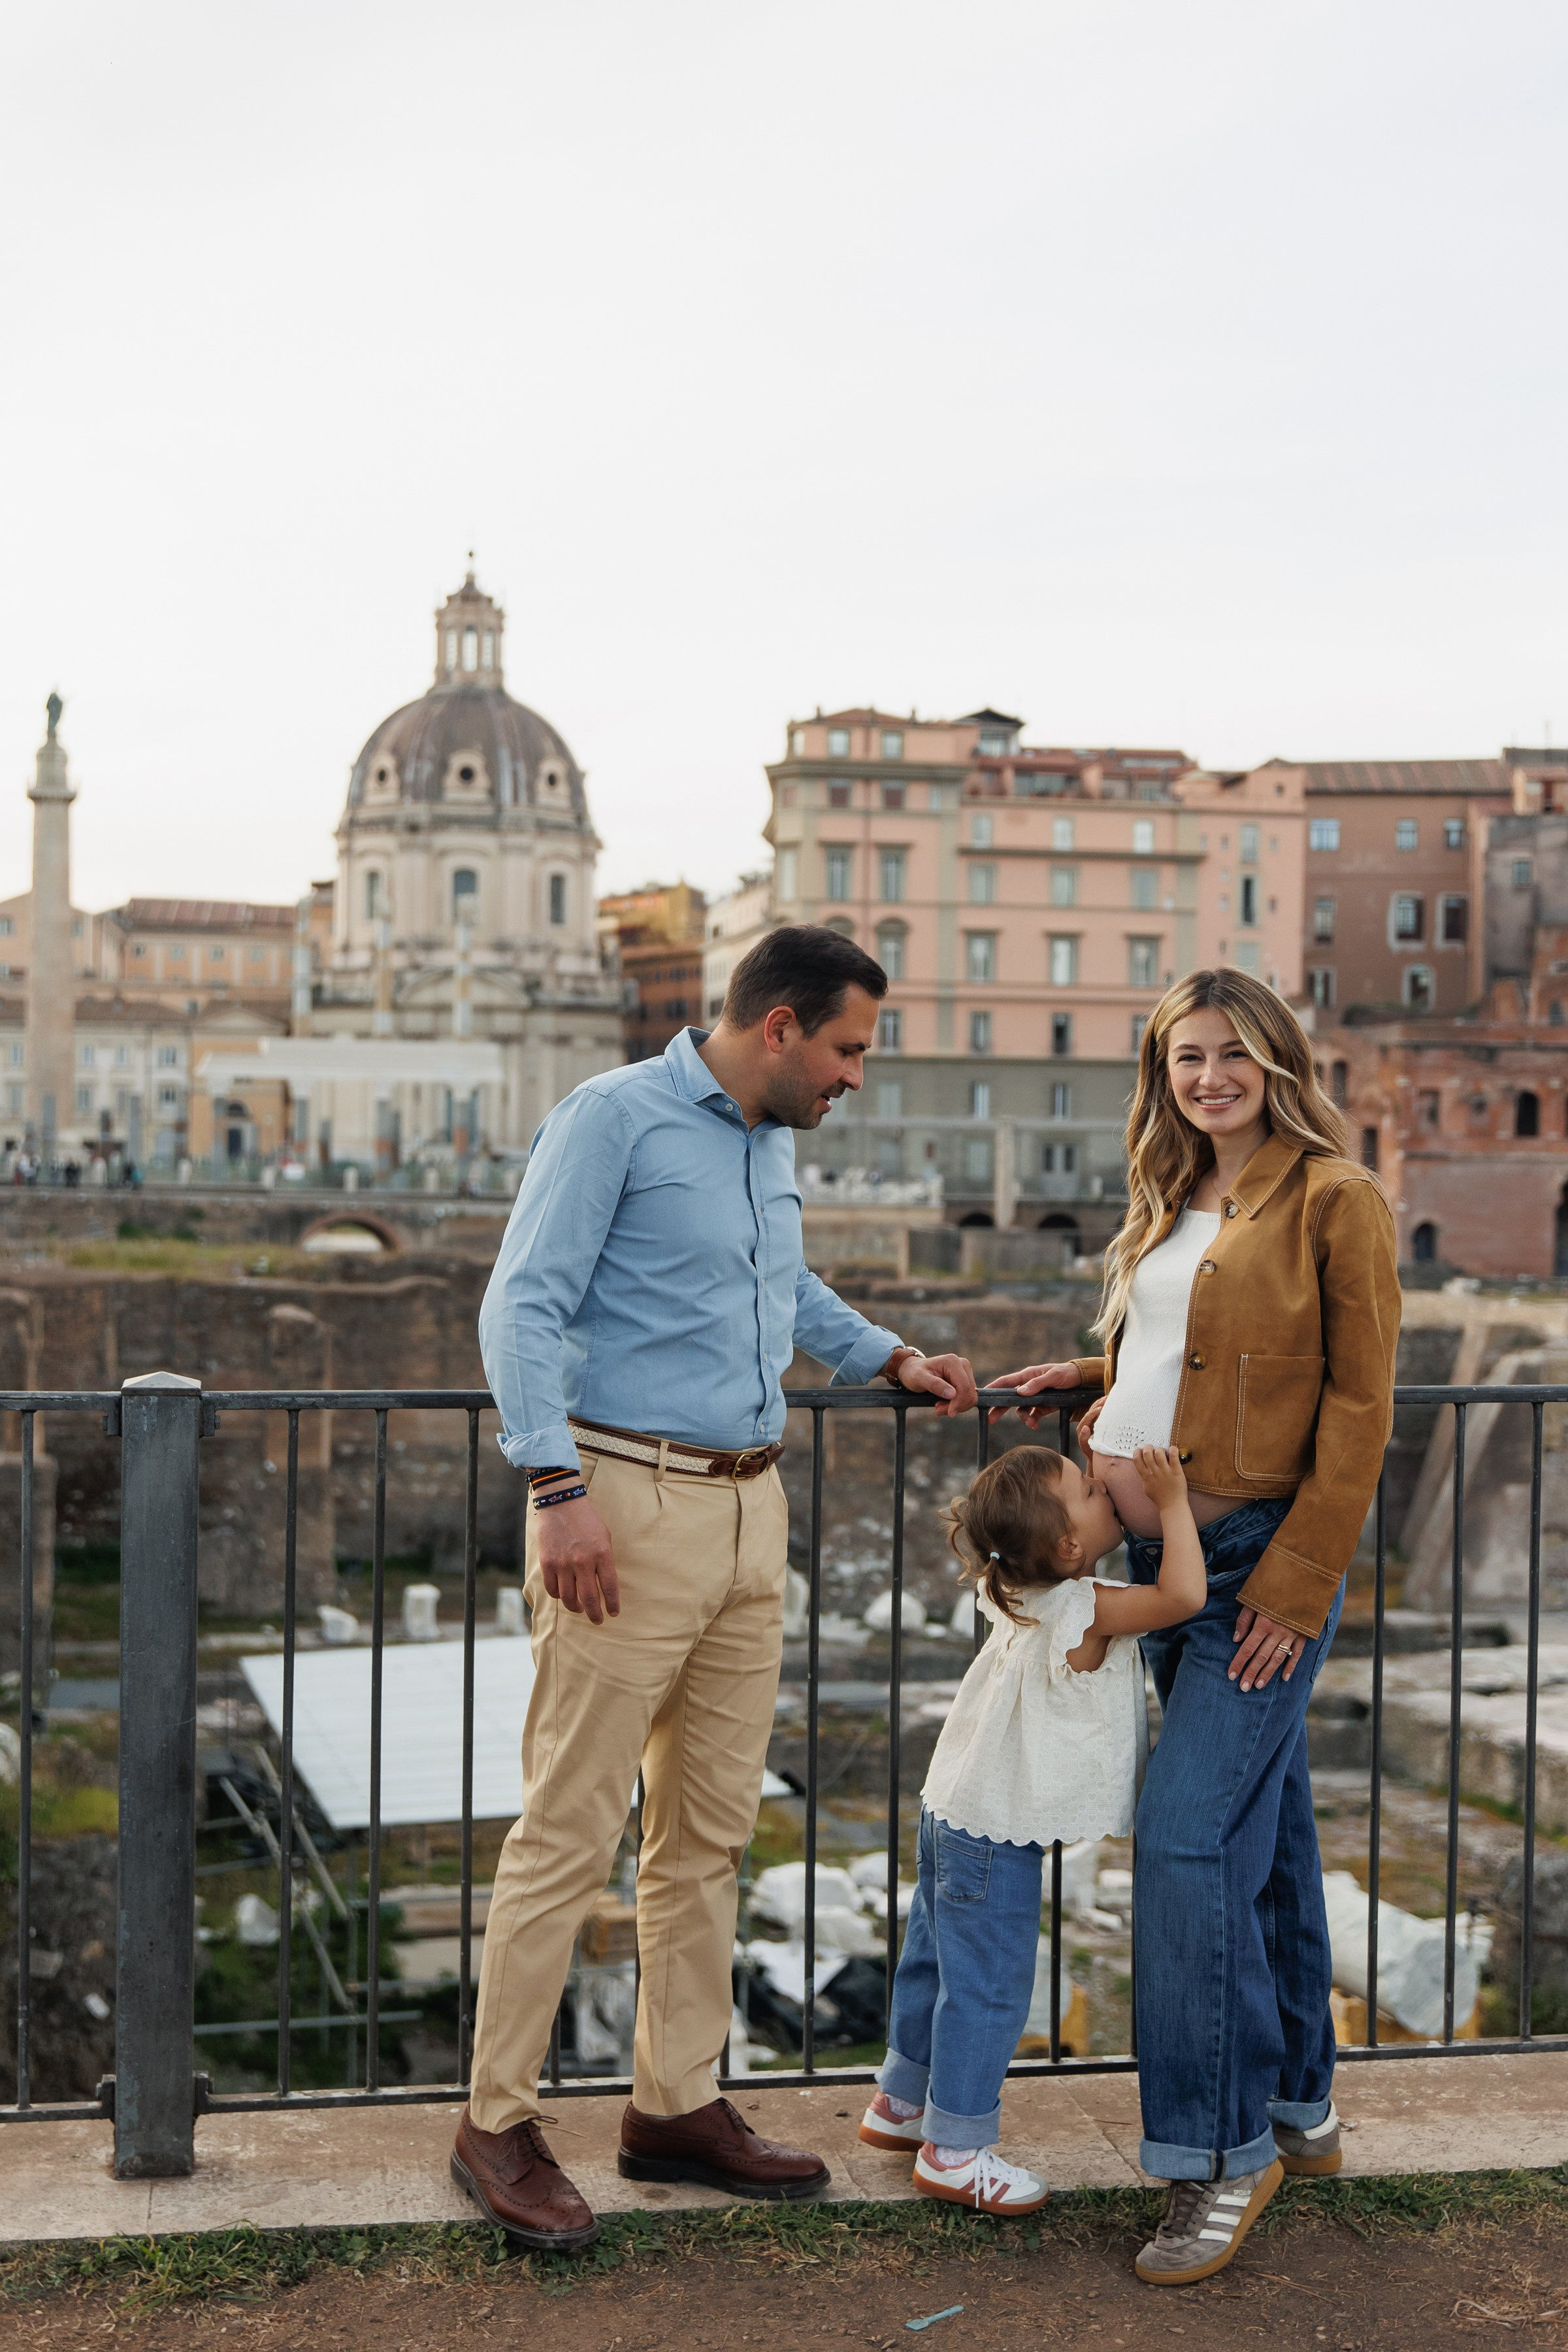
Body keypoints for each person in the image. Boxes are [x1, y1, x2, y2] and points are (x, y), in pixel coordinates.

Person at [457, 925, 980, 2252]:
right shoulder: (612, 1118)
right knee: (570, 1828)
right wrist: (555, 1488)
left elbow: (777, 1285)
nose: (858, 1075)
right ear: (783, 1027)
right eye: (851, 1048)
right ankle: (494, 2123)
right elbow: (522, 1305)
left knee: (707, 1832)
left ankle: (675, 2105)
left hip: (755, 1512)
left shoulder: (767, 1139)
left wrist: (887, 1356)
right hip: (622, 1505)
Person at [988, 968, 1399, 2287]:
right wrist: (1102, 1375)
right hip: (1170, 1560)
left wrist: (1295, 1579)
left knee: (1178, 1843)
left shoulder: (1336, 1198)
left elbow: (1355, 1405)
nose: (1208, 1078)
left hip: (1254, 1565)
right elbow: (1210, 1351)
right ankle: (1300, 2112)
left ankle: (1217, 2160)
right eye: (1185, 1060)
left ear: (1278, 1060)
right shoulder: (1173, 1195)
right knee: (1262, 1836)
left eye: (1232, 1055)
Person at [859, 1439, 1205, 2215]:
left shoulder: (1010, 1584)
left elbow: (1050, 1535)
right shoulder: (1085, 1607)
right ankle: (955, 2151)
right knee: (990, 1987)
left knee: (935, 1961)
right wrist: (1173, 1502)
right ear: (1069, 1547)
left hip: (954, 1803)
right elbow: (1184, 1597)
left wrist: (1092, 1456)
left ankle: (902, 2101)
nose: (1107, 1489)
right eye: (1093, 1487)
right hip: (993, 1827)